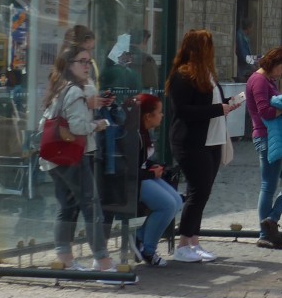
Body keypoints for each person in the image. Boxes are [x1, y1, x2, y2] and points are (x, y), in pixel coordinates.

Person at [41, 42, 125, 277]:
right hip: (74, 156)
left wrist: (91, 102)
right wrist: (99, 124)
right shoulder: (75, 91)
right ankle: (103, 261)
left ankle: (65, 258)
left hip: (55, 156)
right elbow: (78, 126)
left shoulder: (61, 87)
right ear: (69, 64)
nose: (87, 66)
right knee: (91, 206)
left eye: (89, 61)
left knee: (67, 207)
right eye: (82, 61)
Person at [166, 29, 237, 262]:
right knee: (197, 192)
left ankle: (193, 241)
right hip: (191, 141)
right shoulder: (182, 75)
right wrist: (218, 109)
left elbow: (212, 103)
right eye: (208, 46)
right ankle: (183, 244)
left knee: (204, 192)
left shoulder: (208, 74)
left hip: (213, 140)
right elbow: (183, 110)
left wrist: (228, 105)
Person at [246, 47, 282, 249]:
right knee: (268, 186)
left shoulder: (268, 80)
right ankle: (264, 233)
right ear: (273, 64)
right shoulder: (259, 81)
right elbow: (266, 112)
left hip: (276, 138)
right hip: (267, 137)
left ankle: (271, 220)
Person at [130, 93, 183, 266]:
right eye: (159, 112)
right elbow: (130, 169)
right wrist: (152, 173)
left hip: (142, 176)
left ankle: (139, 238)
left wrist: (154, 168)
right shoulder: (134, 135)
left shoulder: (143, 132)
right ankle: (148, 250)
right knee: (167, 205)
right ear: (147, 116)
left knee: (176, 200)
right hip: (132, 182)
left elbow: (141, 161)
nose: (162, 115)